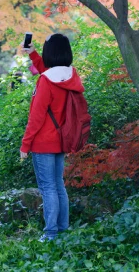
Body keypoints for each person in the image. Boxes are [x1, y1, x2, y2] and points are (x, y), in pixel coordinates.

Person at [20, 33, 85, 242]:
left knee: (48, 188)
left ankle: (50, 233)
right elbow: (49, 72)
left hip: (43, 142)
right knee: (58, 185)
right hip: (62, 140)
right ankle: (63, 229)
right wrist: (33, 55)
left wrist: (25, 145)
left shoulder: (45, 81)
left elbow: (36, 117)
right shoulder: (71, 76)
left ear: (51, 52)